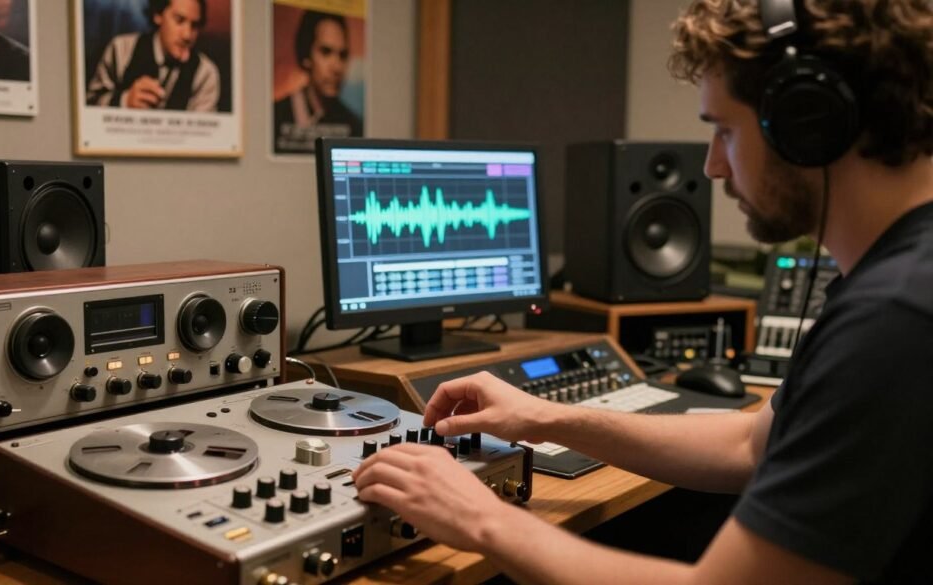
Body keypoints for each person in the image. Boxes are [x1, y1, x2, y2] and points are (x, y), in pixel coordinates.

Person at [353, 1, 933, 583]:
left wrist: (479, 518)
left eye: (725, 130)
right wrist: (545, 418)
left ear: (810, 122)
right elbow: (749, 446)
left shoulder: (895, 318)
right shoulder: (888, 278)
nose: (712, 168)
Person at [86, 0, 219, 112]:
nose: (187, 35)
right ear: (158, 15)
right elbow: (89, 105)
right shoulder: (121, 49)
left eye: (194, 25)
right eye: (179, 20)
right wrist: (124, 101)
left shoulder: (205, 74)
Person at [273, 10, 363, 153]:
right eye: (326, 52)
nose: (337, 67)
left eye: (342, 55)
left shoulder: (354, 125)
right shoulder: (276, 115)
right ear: (306, 56)